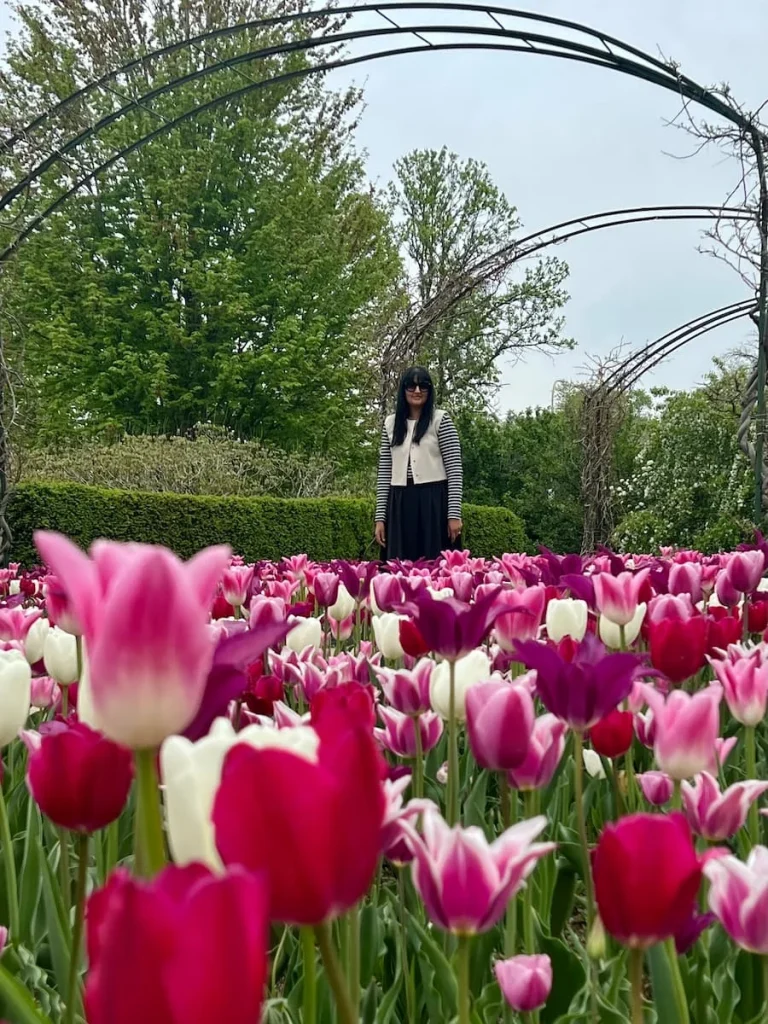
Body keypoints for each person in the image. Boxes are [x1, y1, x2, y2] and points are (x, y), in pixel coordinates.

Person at [374, 366, 463, 561]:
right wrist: (380, 517)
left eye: (423, 386)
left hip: (434, 503)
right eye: (411, 385)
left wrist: (454, 514)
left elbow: (455, 470)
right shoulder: (391, 424)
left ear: (430, 390)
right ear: (403, 389)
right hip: (399, 504)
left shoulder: (440, 420)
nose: (417, 391)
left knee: (435, 565)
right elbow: (384, 474)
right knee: (398, 567)